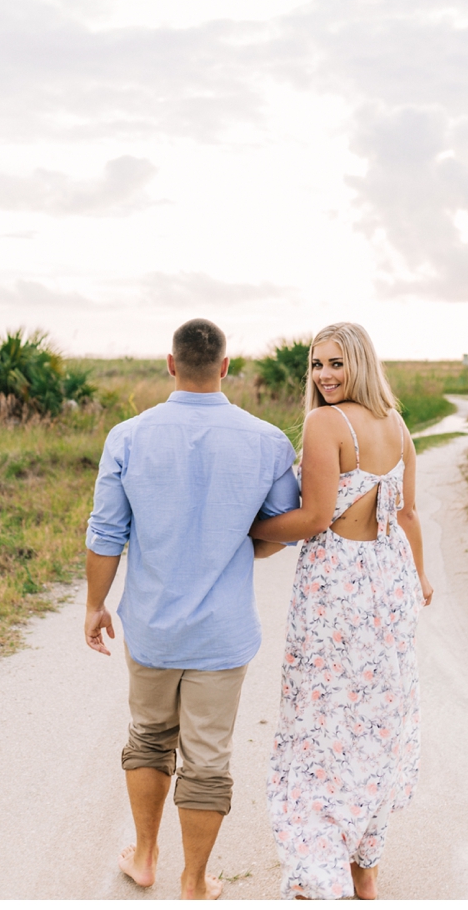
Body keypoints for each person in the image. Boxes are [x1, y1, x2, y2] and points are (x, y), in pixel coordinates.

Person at [84, 318, 298, 901]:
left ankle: (146, 858)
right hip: (222, 634)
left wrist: (95, 606)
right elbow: (283, 527)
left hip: (151, 627)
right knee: (207, 759)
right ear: (225, 366)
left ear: (171, 363)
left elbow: (106, 533)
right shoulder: (267, 440)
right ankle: (195, 881)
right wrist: (236, 546)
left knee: (150, 738)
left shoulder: (128, 436)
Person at [249, 322, 433, 901]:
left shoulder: (327, 423)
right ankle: (366, 866)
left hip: (339, 593)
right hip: (390, 583)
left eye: (336, 363)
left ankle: (318, 869)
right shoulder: (397, 423)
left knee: (320, 724)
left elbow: (312, 519)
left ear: (360, 363)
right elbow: (406, 517)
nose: (324, 376)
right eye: (316, 365)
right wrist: (420, 576)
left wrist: (242, 532)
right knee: (375, 722)